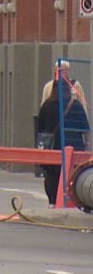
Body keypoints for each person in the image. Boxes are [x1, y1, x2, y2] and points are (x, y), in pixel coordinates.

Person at [37, 75, 90, 206]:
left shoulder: (46, 106)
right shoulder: (75, 105)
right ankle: (72, 200)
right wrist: (87, 144)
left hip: (52, 147)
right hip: (74, 145)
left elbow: (40, 128)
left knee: (51, 175)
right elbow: (85, 127)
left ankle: (53, 201)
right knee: (73, 175)